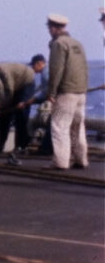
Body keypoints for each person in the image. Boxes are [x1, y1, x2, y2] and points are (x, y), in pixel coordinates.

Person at [44, 14, 88, 170]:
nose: (49, 30)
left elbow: (56, 70)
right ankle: (81, 159)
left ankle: (60, 162)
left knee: (59, 126)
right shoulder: (77, 44)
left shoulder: (59, 44)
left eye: (49, 27)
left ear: (54, 28)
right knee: (78, 127)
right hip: (81, 92)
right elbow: (84, 68)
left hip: (66, 92)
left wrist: (51, 93)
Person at [0, 61, 36, 153]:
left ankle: (21, 146)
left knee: (21, 114)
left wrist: (0, 107)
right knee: (3, 118)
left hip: (26, 82)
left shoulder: (4, 73)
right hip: (15, 85)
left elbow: (9, 92)